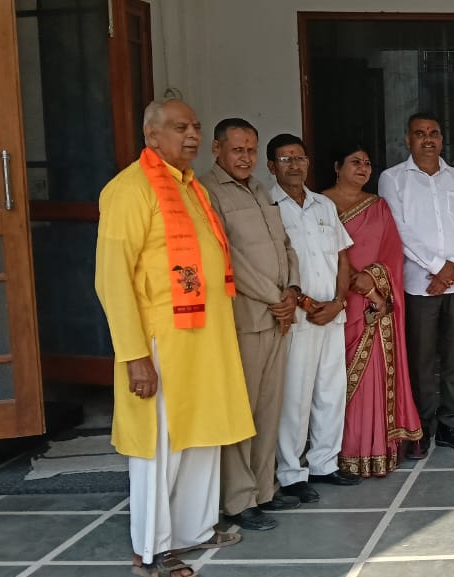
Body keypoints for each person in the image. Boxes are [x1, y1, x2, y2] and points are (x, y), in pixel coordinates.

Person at [96, 99, 252, 577]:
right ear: (151, 135)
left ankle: (193, 529)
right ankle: (153, 548)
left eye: (196, 127)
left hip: (204, 340)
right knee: (159, 447)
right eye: (180, 127)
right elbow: (112, 279)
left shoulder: (191, 187)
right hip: (160, 342)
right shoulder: (129, 189)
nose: (192, 135)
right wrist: (134, 355)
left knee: (202, 437)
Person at [202, 118, 302, 532]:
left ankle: (264, 489)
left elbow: (286, 246)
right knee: (241, 411)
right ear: (217, 149)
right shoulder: (208, 191)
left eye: (250, 150)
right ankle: (239, 499)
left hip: (279, 316)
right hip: (246, 318)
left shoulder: (261, 190)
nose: (245, 158)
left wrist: (292, 290)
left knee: (269, 408)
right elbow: (227, 257)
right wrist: (275, 297)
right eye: (237, 150)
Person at [379, 113, 454, 456]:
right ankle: (421, 426)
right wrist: (439, 268)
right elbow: (399, 231)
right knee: (421, 358)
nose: (428, 139)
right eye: (420, 133)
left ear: (441, 139)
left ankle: (451, 422)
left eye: (434, 133)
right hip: (419, 284)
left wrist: (452, 268)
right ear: (407, 139)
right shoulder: (393, 179)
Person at [269, 133, 361, 503]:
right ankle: (291, 472)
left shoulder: (323, 204)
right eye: (285, 159)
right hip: (298, 318)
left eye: (300, 158)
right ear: (271, 166)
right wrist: (307, 304)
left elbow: (342, 258)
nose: (294, 165)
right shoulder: (268, 206)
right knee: (295, 396)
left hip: (332, 314)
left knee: (330, 391)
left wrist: (338, 301)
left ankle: (325, 463)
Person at [322, 144, 424, 476]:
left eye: (367, 163)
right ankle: (333, 455)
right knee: (328, 381)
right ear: (337, 166)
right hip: (332, 300)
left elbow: (392, 256)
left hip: (372, 304)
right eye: (355, 162)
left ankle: (373, 450)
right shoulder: (318, 206)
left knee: (372, 379)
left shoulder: (378, 207)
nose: (363, 168)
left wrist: (373, 283)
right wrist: (353, 281)